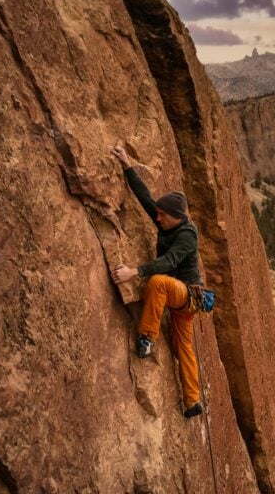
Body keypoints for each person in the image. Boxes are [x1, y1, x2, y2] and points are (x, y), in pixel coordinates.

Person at [109, 145, 203, 418]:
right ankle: (192, 402)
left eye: (162, 215)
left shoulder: (187, 234)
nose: (157, 218)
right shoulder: (167, 221)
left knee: (158, 281)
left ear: (177, 216)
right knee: (183, 348)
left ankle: (147, 337)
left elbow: (169, 262)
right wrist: (127, 165)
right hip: (179, 300)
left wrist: (133, 271)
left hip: (186, 296)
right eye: (158, 214)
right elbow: (145, 198)